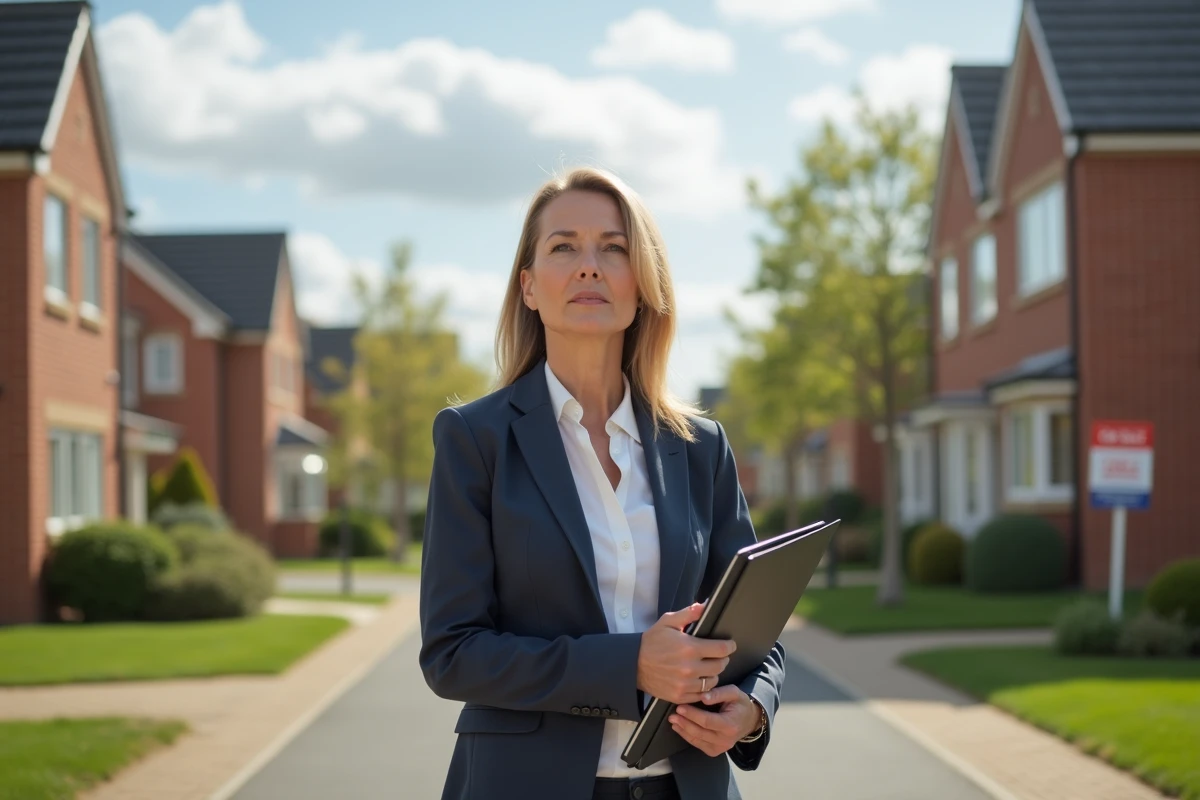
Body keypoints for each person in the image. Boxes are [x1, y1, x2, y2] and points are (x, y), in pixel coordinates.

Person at [419, 167, 785, 800]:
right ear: (529, 287)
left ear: (642, 285)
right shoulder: (473, 440)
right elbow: (453, 653)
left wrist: (751, 712)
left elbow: (756, 632)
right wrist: (629, 664)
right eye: (564, 246)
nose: (589, 265)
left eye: (614, 248)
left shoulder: (701, 448)